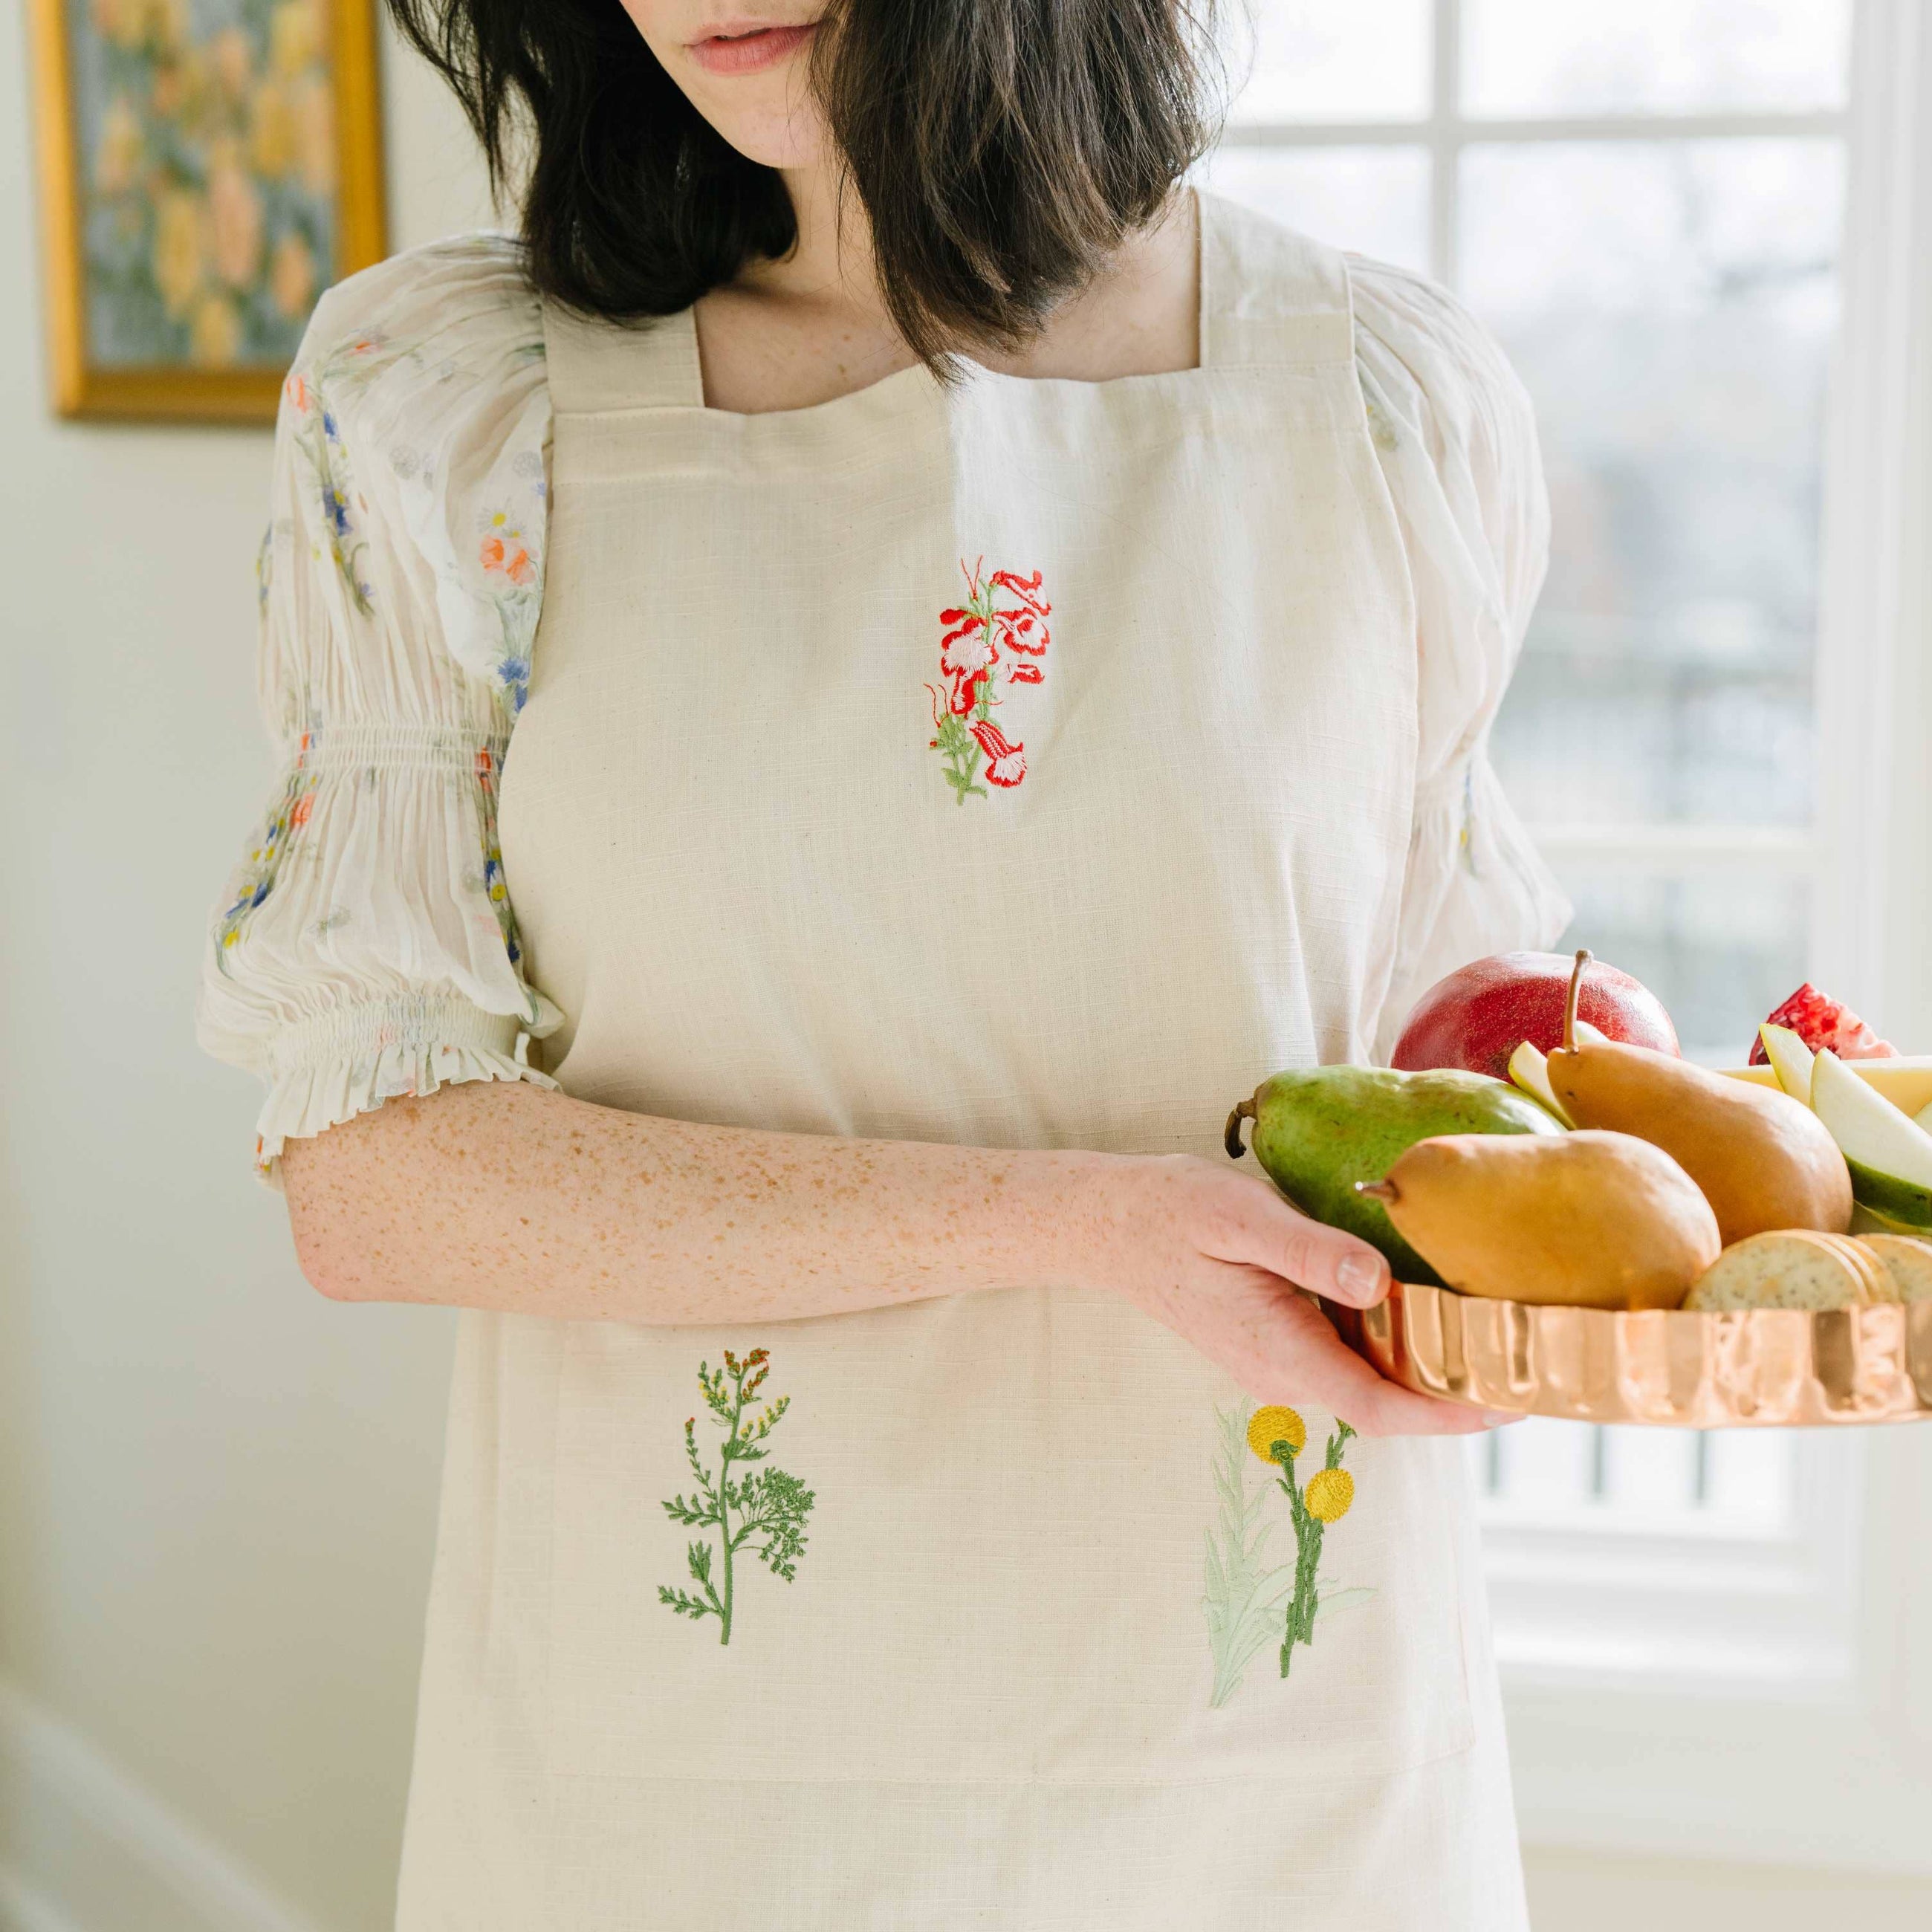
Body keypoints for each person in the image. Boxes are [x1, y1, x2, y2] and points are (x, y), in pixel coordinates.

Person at [195, 2, 1569, 1925]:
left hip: (1276, 1766)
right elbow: (373, 1180)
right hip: (680, 1787)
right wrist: (1086, 1219)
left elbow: (1471, 1106)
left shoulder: (1385, 404)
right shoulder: (451, 403)